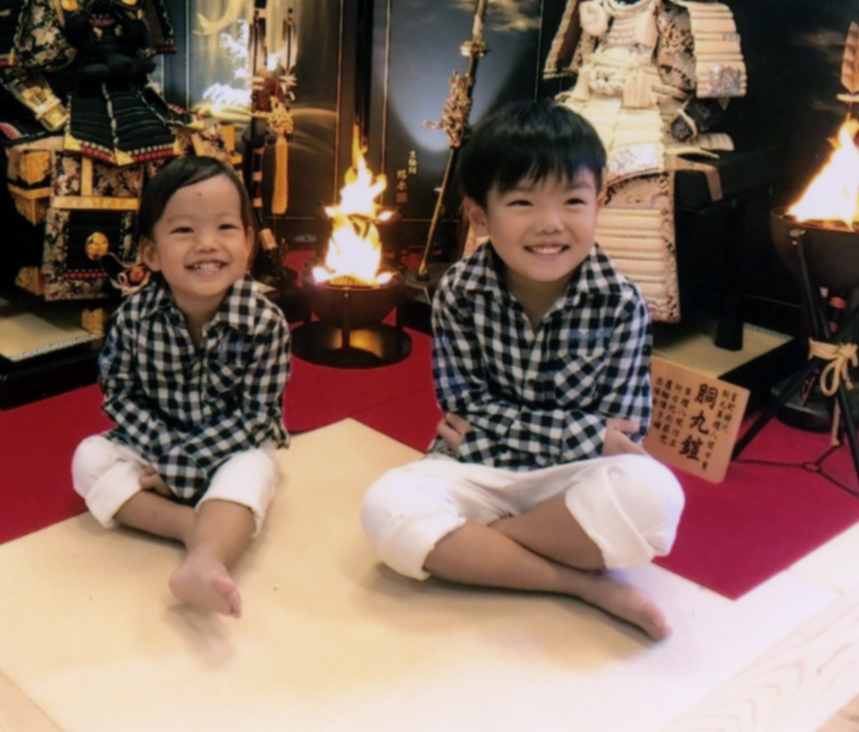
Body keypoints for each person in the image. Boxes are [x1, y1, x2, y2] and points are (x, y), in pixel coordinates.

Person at [360, 101, 684, 640]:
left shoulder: (622, 303)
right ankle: (578, 582)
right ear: (480, 216)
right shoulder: (459, 291)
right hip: (478, 470)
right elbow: (463, 407)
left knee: (655, 495)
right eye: (522, 202)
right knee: (384, 507)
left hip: (569, 480)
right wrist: (585, 434)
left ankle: (484, 546)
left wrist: (517, 430)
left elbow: (624, 434)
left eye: (573, 200)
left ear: (598, 204)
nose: (550, 224)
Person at [72, 156, 290, 618]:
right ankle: (193, 529)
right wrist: (169, 456)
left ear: (249, 244)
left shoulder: (265, 323)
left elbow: (256, 417)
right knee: (88, 460)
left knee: (255, 469)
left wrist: (189, 464)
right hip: (156, 443)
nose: (207, 244)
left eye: (226, 227)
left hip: (231, 446)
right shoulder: (134, 317)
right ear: (151, 254)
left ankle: (207, 558)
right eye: (185, 230)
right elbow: (120, 394)